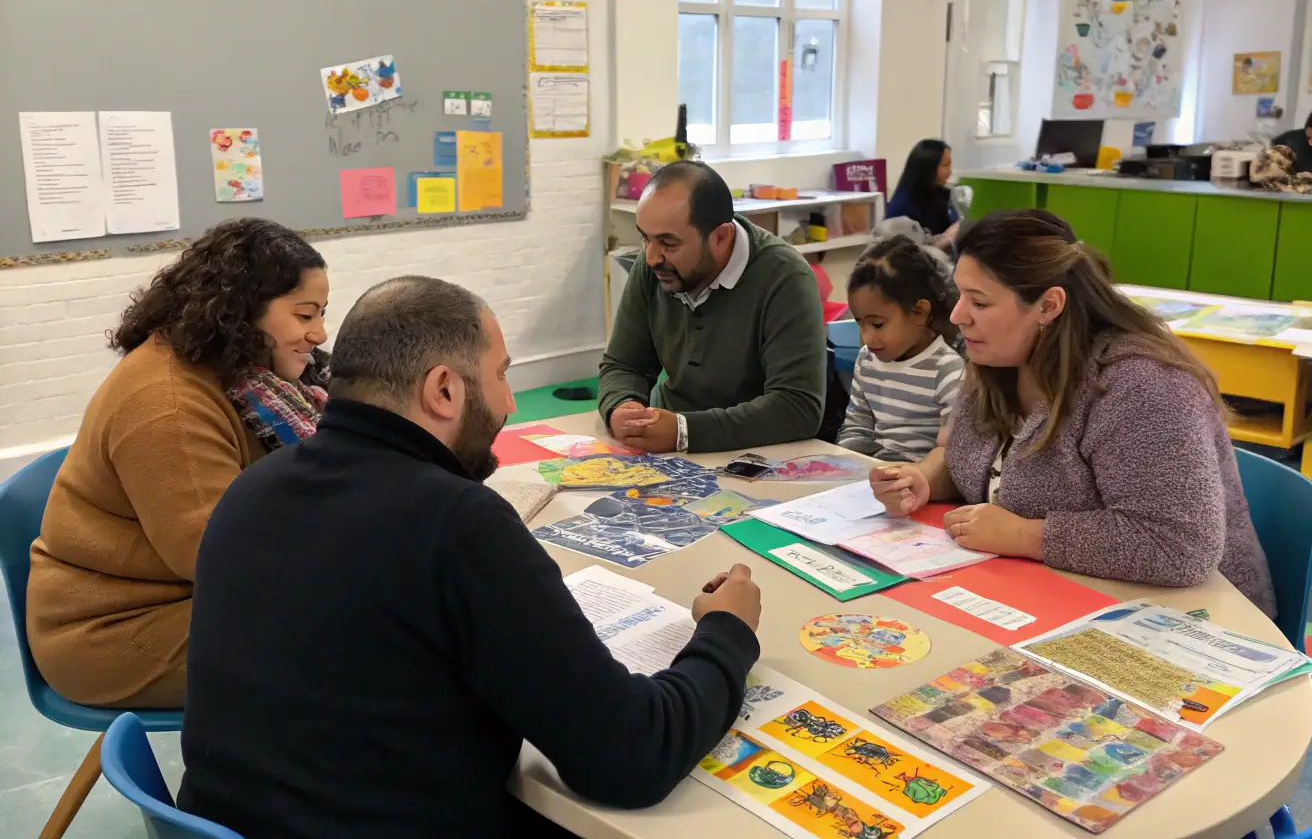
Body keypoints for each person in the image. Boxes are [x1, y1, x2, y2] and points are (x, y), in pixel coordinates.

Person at [177, 276, 762, 839]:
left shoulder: (251, 488)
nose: (509, 401)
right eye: (501, 375)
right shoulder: (458, 523)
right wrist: (725, 634)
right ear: (444, 390)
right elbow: (633, 757)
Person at [868, 209, 1276, 616]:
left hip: (1191, 617)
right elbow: (972, 459)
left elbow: (1179, 546)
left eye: (979, 302)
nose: (958, 316)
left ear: (1048, 306)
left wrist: (1026, 536)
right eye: (960, 296)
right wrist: (924, 479)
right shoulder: (995, 358)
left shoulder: (1143, 385)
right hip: (1045, 592)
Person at [26, 219, 328, 709]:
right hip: (111, 633)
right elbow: (221, 559)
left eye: (321, 313)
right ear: (243, 311)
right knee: (359, 641)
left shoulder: (235, 374)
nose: (319, 333)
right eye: (304, 315)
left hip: (174, 599)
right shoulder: (169, 404)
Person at [599, 161, 826, 454]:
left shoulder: (785, 278)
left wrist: (685, 432)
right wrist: (621, 406)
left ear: (721, 237)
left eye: (668, 243)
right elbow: (624, 364)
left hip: (756, 454)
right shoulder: (654, 265)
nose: (652, 257)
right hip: (668, 448)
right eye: (645, 238)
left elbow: (798, 407)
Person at [837, 237, 963, 462]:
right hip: (875, 472)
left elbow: (952, 452)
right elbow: (856, 427)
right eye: (859, 323)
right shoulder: (866, 361)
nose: (866, 337)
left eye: (877, 324)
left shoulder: (947, 370)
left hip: (922, 476)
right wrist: (846, 462)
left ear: (920, 312)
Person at [885, 139, 960, 251]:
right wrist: (948, 236)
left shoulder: (942, 195)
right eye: (945, 166)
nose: (950, 172)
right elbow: (909, 253)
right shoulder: (902, 207)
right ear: (928, 169)